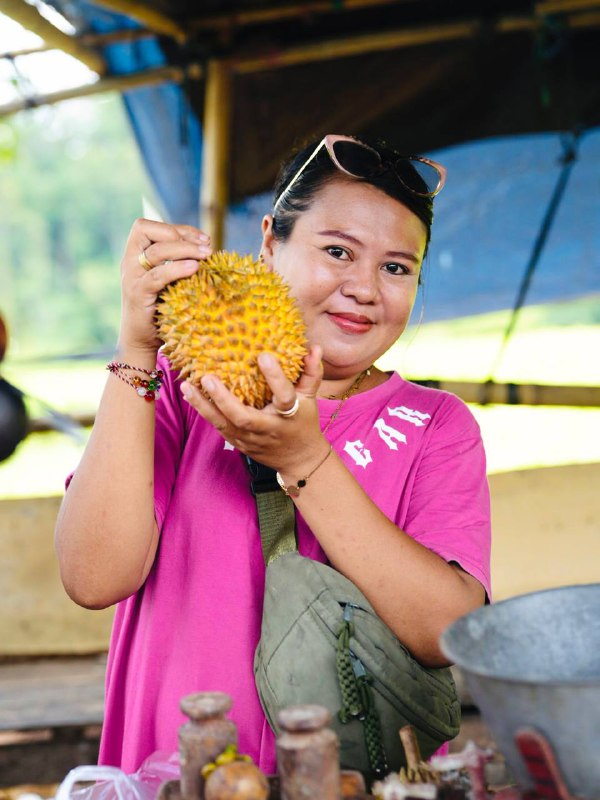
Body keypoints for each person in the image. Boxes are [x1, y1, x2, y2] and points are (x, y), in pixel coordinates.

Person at [55, 134, 491, 776]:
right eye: (338, 251)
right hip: (177, 776)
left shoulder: (434, 426)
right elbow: (93, 578)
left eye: (397, 268)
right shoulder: (177, 388)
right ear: (268, 243)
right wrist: (136, 349)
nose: (365, 288)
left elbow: (448, 630)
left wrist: (307, 461)